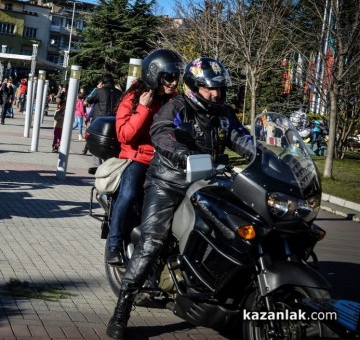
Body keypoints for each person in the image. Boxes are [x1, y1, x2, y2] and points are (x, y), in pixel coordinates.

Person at [106, 57, 255, 340]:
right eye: (211, 89)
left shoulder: (222, 112)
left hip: (207, 181)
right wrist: (181, 153)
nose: (217, 94)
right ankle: (122, 310)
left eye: (220, 89)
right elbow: (162, 133)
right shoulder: (176, 107)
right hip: (168, 182)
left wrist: (264, 155)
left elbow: (240, 136)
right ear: (194, 86)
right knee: (152, 242)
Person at [105, 49, 183, 266]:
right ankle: (114, 243)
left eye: (176, 77)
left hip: (166, 161)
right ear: (154, 74)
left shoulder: (176, 101)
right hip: (138, 159)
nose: (174, 82)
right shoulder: (133, 97)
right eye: (168, 77)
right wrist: (143, 108)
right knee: (129, 194)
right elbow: (124, 135)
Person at [84, 75, 122, 160]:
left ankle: (97, 168)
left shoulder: (99, 91)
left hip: (99, 121)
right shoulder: (119, 93)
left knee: (97, 147)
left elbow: (89, 100)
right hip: (113, 122)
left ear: (103, 83)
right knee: (110, 147)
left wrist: (98, 88)